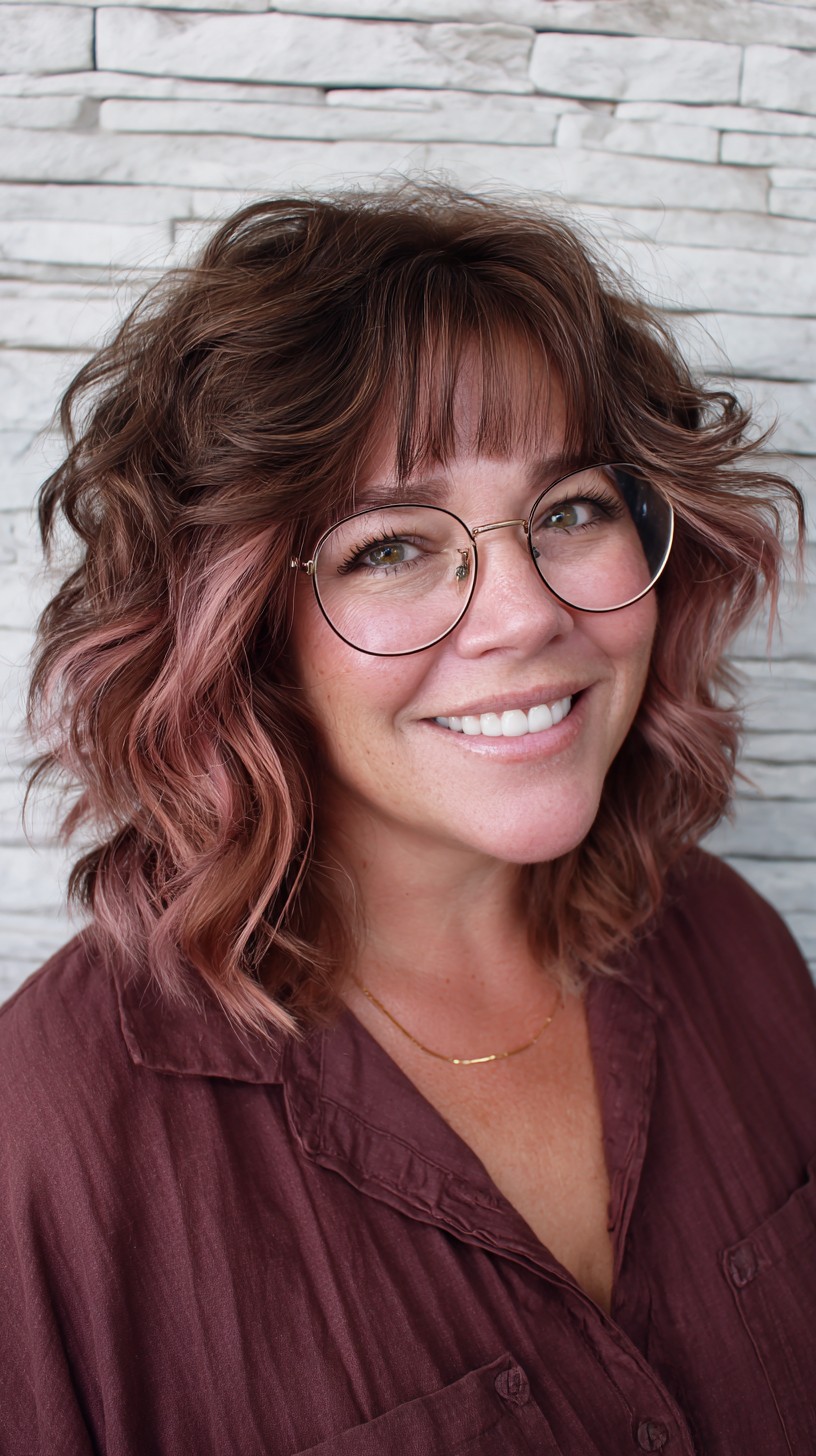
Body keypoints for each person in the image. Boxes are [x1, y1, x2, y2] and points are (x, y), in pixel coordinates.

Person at [1, 181, 814, 1456]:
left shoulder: (735, 944)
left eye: (571, 510)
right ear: (239, 626)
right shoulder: (46, 1145)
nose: (527, 614)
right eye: (389, 546)